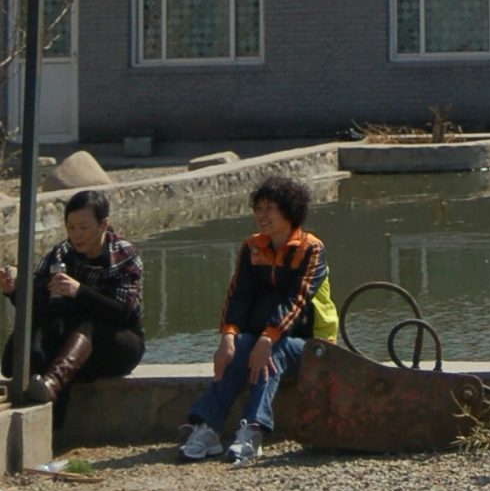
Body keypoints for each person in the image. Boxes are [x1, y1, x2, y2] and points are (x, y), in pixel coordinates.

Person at [179, 175, 330, 467]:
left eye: (270, 208)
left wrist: (268, 337)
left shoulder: (311, 249)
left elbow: (297, 300)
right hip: (262, 338)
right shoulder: (252, 248)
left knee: (270, 351)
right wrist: (228, 337)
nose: (262, 215)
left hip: (309, 345)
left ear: (290, 210)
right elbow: (238, 296)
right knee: (241, 347)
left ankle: (253, 430)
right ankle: (208, 430)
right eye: (258, 208)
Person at [0, 189, 145, 425]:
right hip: (68, 344)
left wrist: (79, 291)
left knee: (89, 325)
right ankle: (49, 422)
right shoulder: (61, 253)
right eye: (71, 227)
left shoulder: (124, 255)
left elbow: (122, 312)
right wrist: (14, 290)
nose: (77, 235)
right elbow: (38, 302)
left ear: (103, 224)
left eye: (83, 227)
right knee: (38, 341)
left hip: (116, 342)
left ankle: (52, 383)